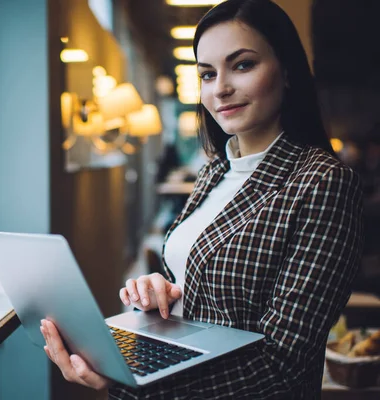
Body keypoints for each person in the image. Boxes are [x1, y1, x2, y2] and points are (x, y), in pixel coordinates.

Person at [41, 0, 364, 398]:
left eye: (242, 65)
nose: (220, 88)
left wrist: (133, 380)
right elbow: (197, 286)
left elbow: (283, 366)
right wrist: (157, 292)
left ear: (288, 72)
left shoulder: (322, 182)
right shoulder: (216, 170)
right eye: (207, 74)